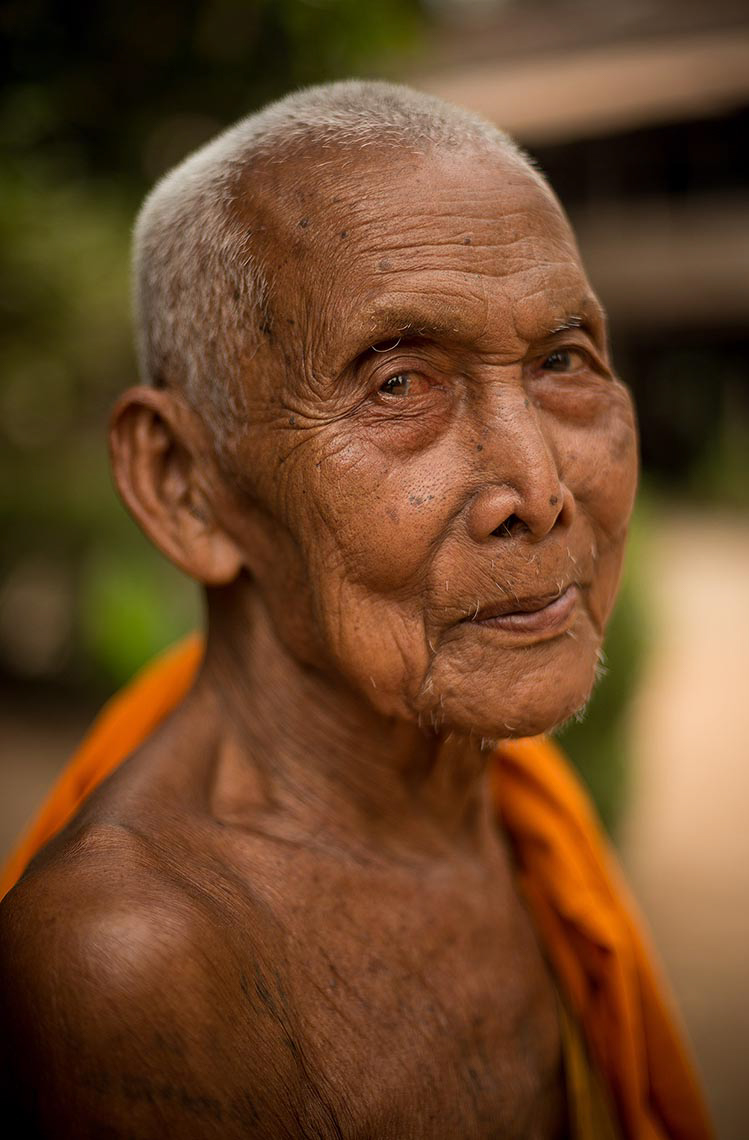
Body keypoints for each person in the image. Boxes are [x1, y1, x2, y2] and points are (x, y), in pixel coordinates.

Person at [0, 81, 713, 1139]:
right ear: (184, 483)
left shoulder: (501, 803)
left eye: (563, 361)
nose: (539, 487)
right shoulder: (134, 964)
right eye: (398, 385)